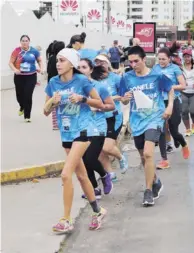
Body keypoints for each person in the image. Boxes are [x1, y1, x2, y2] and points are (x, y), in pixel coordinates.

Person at [43, 48, 107, 233]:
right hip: (66, 134)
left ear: (71, 63)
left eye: (62, 60)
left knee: (66, 174)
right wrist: (52, 102)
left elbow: (100, 103)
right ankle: (98, 211)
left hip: (83, 131)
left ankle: (66, 219)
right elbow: (45, 111)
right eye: (57, 61)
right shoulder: (53, 83)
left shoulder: (81, 81)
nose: (58, 64)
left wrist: (82, 98)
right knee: (81, 175)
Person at [120, 46, 174, 206]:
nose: (133, 64)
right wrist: (125, 98)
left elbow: (170, 89)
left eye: (136, 61)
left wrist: (169, 106)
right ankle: (155, 181)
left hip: (155, 118)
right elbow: (123, 99)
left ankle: (148, 191)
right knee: (144, 157)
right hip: (137, 121)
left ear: (144, 60)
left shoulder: (157, 75)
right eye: (130, 62)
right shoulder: (127, 77)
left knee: (149, 154)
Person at [78, 58, 115, 199]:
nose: (81, 70)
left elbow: (111, 105)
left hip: (98, 127)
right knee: (84, 159)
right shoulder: (76, 88)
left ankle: (105, 175)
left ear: (91, 70)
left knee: (90, 157)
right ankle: (94, 189)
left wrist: (99, 107)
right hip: (81, 127)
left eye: (84, 67)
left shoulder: (99, 87)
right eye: (79, 67)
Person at [153, 47, 190, 170]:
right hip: (159, 103)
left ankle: (183, 143)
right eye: (160, 59)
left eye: (164, 59)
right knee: (162, 130)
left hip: (173, 101)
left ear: (169, 59)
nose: (161, 61)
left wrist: (169, 87)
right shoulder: (155, 69)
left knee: (174, 130)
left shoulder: (175, 69)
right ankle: (164, 160)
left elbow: (183, 86)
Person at [93, 54, 127, 181]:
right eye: (97, 63)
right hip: (97, 117)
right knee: (99, 150)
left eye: (102, 62)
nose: (100, 65)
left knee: (106, 147)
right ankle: (111, 174)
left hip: (113, 116)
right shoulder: (92, 80)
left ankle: (121, 157)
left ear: (108, 64)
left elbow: (123, 98)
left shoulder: (116, 78)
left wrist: (123, 98)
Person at [9, 35, 43, 122]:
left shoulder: (34, 51)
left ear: (29, 42)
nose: (24, 42)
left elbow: (39, 60)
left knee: (28, 95)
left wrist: (41, 68)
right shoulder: (17, 51)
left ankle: (27, 116)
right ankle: (22, 106)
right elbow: (10, 62)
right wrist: (15, 69)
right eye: (23, 41)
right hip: (19, 76)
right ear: (20, 42)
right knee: (19, 96)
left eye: (26, 40)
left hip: (31, 76)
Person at [47, 41, 65, 130]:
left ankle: (55, 124)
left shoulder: (51, 58)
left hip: (52, 83)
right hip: (61, 82)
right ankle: (62, 122)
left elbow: (48, 71)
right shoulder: (63, 59)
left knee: (54, 102)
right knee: (63, 102)